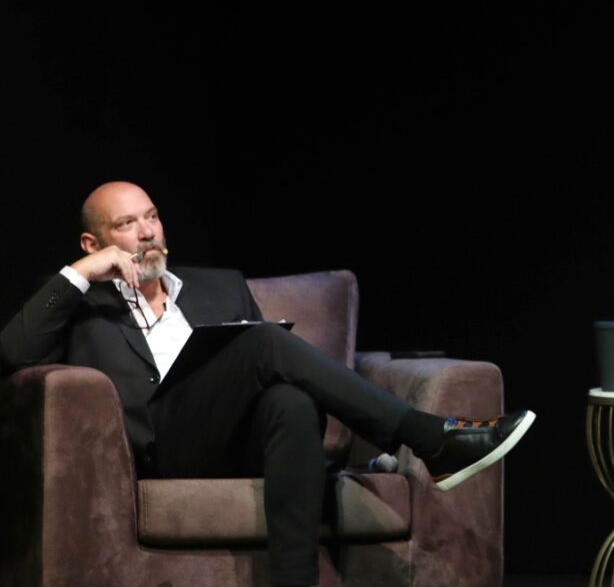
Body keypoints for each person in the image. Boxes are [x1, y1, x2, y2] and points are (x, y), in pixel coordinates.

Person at [0, 180, 535, 587]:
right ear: (93, 242)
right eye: (126, 224)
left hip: (236, 444)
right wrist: (81, 272)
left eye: (152, 217)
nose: (147, 232)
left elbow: (262, 380)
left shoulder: (220, 287)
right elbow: (13, 352)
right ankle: (429, 437)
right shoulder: (82, 305)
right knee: (262, 342)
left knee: (289, 402)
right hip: (161, 449)